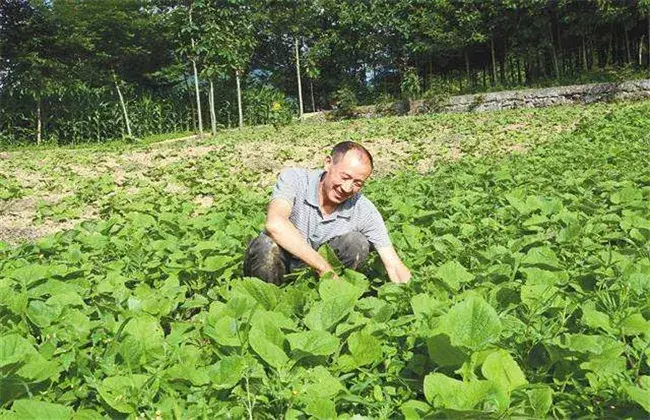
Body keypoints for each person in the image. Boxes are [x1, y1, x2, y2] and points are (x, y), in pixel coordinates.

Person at [243, 141, 411, 285]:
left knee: (357, 242)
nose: (347, 188)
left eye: (357, 183)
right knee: (265, 245)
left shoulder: (363, 209)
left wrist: (411, 293)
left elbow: (393, 263)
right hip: (281, 265)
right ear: (328, 163)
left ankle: (335, 297)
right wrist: (324, 268)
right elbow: (275, 224)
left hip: (324, 281)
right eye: (344, 177)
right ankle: (268, 306)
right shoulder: (294, 179)